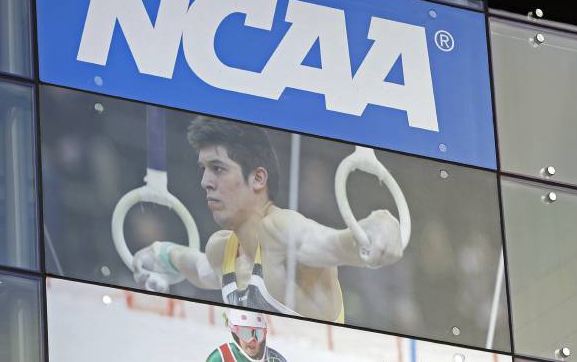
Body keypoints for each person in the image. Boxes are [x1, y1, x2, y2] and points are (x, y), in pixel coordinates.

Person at [132, 116, 403, 323]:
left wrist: (381, 225)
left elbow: (335, 244)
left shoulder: (282, 231)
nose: (205, 182)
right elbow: (197, 267)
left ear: (258, 179)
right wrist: (160, 253)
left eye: (218, 169)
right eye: (203, 169)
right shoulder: (222, 249)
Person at [206, 309, 287, 362]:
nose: (253, 340)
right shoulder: (220, 358)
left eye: (258, 334)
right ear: (236, 336)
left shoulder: (276, 359)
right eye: (245, 334)